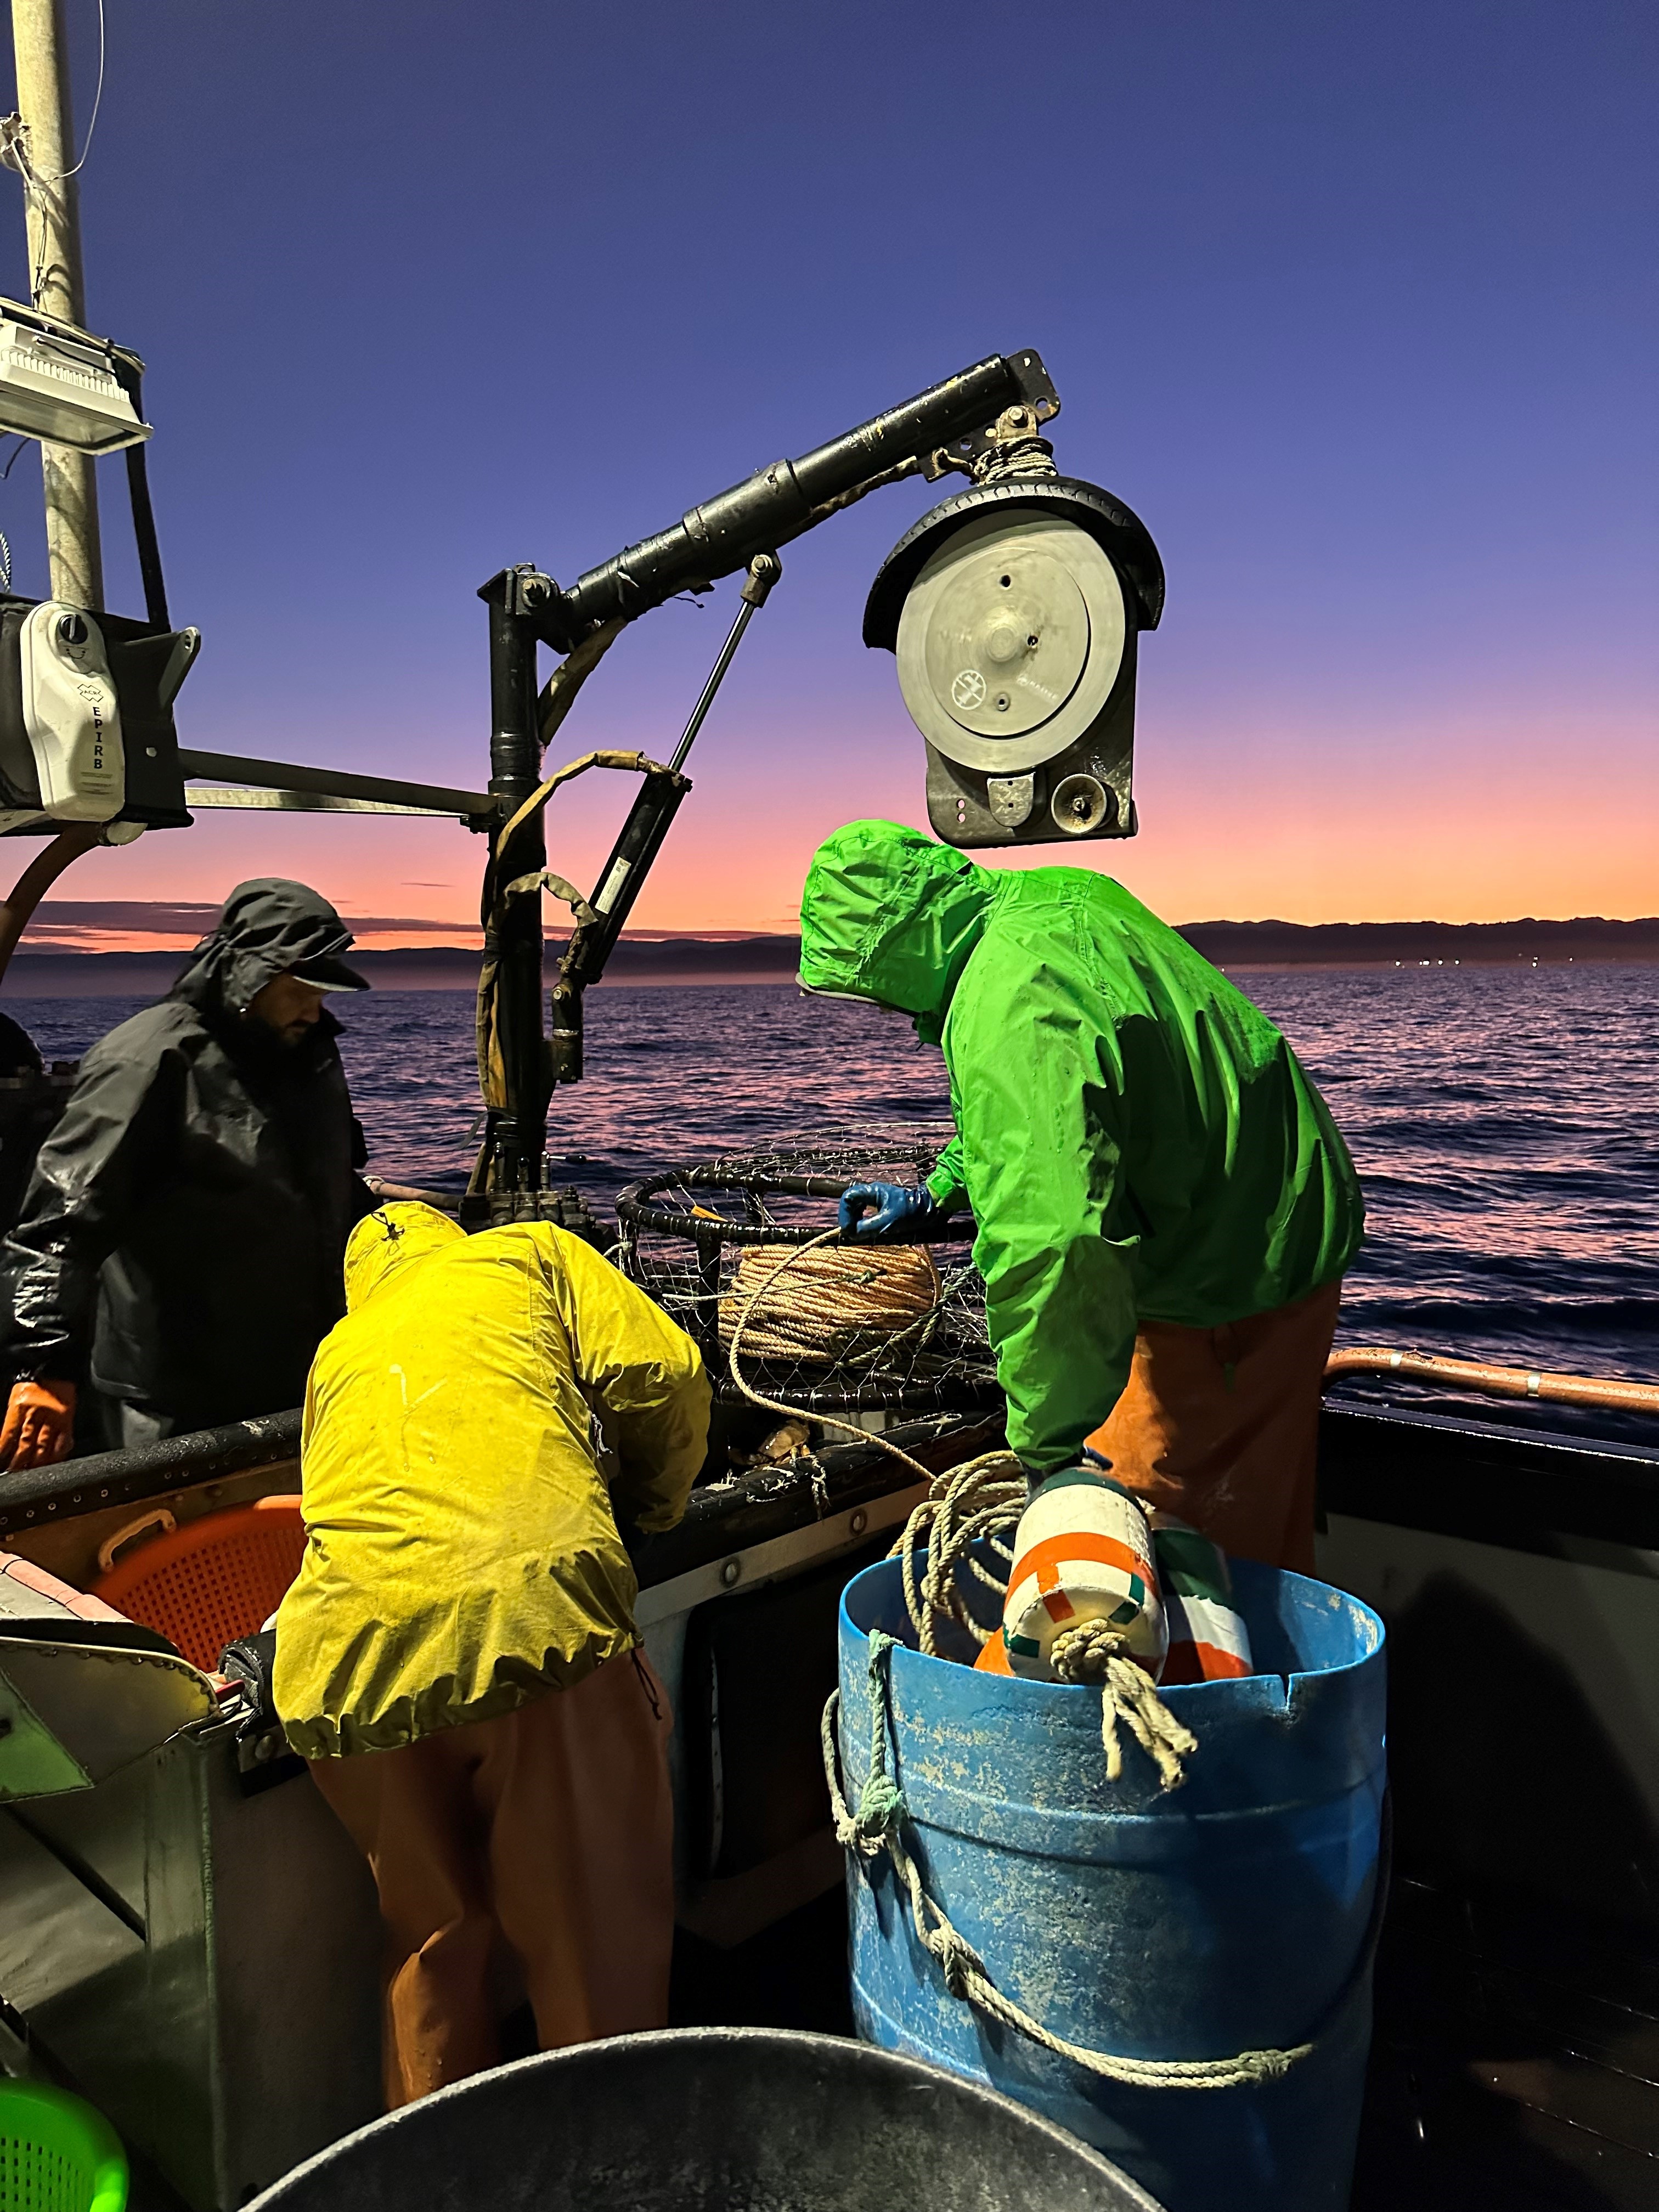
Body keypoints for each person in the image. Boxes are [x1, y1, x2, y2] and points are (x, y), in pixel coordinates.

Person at [797, 819, 1364, 1575]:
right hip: (1275, 1222)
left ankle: (1207, 1685)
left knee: (1161, 1558)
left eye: (870, 994)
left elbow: (1058, 1240)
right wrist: (941, 1188)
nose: (885, 1016)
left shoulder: (1011, 1007)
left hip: (1226, 1280)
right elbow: (1085, 1100)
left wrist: (1049, 1452)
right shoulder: (1049, 903)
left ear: (893, 957)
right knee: (1253, 1506)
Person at [273, 1201, 710, 2108]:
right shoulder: (528, 1254)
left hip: (340, 1664)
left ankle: (438, 2172)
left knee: (428, 1948)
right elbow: (663, 1370)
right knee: (595, 1948)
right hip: (532, 1622)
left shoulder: (335, 1352)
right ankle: (617, 2169)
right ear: (452, 1242)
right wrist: (654, 1506)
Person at [0, 879, 375, 1464]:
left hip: (302, 1376)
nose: (313, 1008)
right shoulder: (150, 1060)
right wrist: (43, 1366)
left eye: (323, 992)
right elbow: (59, 1226)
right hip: (175, 1399)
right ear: (249, 976)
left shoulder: (306, 1059)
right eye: (301, 988)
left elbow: (335, 1188)